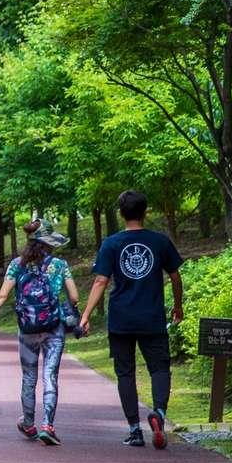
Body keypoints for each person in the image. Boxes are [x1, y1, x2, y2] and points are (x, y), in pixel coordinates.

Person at [80, 190, 185, 448]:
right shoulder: (159, 241)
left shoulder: (111, 243)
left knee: (125, 373)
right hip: (152, 317)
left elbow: (101, 280)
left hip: (121, 319)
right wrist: (179, 307)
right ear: (145, 211)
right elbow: (175, 276)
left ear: (121, 213)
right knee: (159, 368)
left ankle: (134, 430)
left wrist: (85, 315)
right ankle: (158, 413)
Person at [0, 219, 80, 445]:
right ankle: (48, 425)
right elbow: (74, 297)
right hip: (54, 328)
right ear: (48, 242)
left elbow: (3, 296)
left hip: (27, 329)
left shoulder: (17, 264)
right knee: (50, 375)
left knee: (29, 377)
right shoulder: (59, 265)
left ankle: (28, 422)